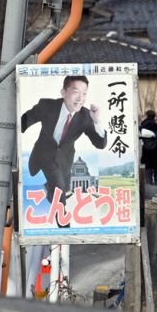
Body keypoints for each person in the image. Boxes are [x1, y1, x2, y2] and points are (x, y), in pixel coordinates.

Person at [19, 74, 106, 222]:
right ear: (63, 93)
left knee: (62, 187)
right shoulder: (47, 106)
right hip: (43, 154)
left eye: (84, 93)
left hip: (65, 159)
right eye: (75, 92)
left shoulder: (85, 116)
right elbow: (22, 123)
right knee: (58, 187)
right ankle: (62, 221)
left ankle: (49, 189)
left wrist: (97, 121)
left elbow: (100, 143)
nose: (80, 98)